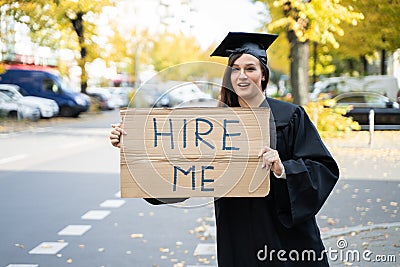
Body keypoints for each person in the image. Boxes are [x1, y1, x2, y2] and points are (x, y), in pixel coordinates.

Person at [110, 32, 339, 266]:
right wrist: (133, 145)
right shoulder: (212, 124)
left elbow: (322, 167)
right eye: (235, 69)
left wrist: (283, 169)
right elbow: (180, 175)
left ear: (263, 75)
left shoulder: (289, 117)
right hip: (238, 235)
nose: (242, 76)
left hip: (287, 239)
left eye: (250, 68)